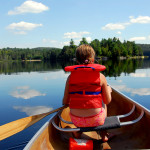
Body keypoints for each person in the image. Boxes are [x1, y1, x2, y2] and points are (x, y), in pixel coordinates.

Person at [62, 44, 112, 142]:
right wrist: (108, 91)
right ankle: (103, 134)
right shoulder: (100, 76)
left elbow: (65, 101)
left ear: (77, 61)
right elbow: (108, 100)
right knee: (103, 101)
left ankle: (77, 131)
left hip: (76, 121)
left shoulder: (70, 78)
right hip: (97, 119)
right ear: (93, 60)